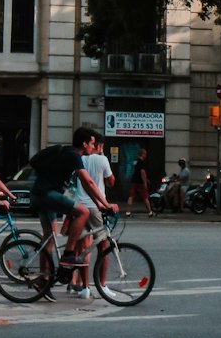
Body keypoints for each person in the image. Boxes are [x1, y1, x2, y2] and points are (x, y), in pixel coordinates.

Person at [30, 127, 118, 293]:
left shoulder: (69, 153)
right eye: (92, 143)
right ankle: (68, 254)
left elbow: (86, 185)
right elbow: (88, 182)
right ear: (84, 144)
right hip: (46, 194)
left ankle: (43, 280)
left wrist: (99, 204)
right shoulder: (74, 155)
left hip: (39, 194)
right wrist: (105, 204)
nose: (93, 147)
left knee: (49, 236)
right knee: (82, 212)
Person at [70, 132, 117, 299]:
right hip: (95, 208)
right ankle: (102, 285)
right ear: (99, 146)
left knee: (82, 248)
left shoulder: (80, 159)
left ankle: (85, 287)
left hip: (79, 205)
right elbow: (111, 181)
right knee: (103, 247)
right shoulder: (102, 159)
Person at [124, 147, 152, 217]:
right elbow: (142, 173)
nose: (146, 155)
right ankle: (150, 212)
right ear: (142, 154)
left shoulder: (136, 162)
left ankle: (128, 212)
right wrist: (145, 182)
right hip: (140, 182)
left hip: (134, 181)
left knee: (131, 196)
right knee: (145, 197)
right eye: (145, 154)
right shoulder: (141, 162)